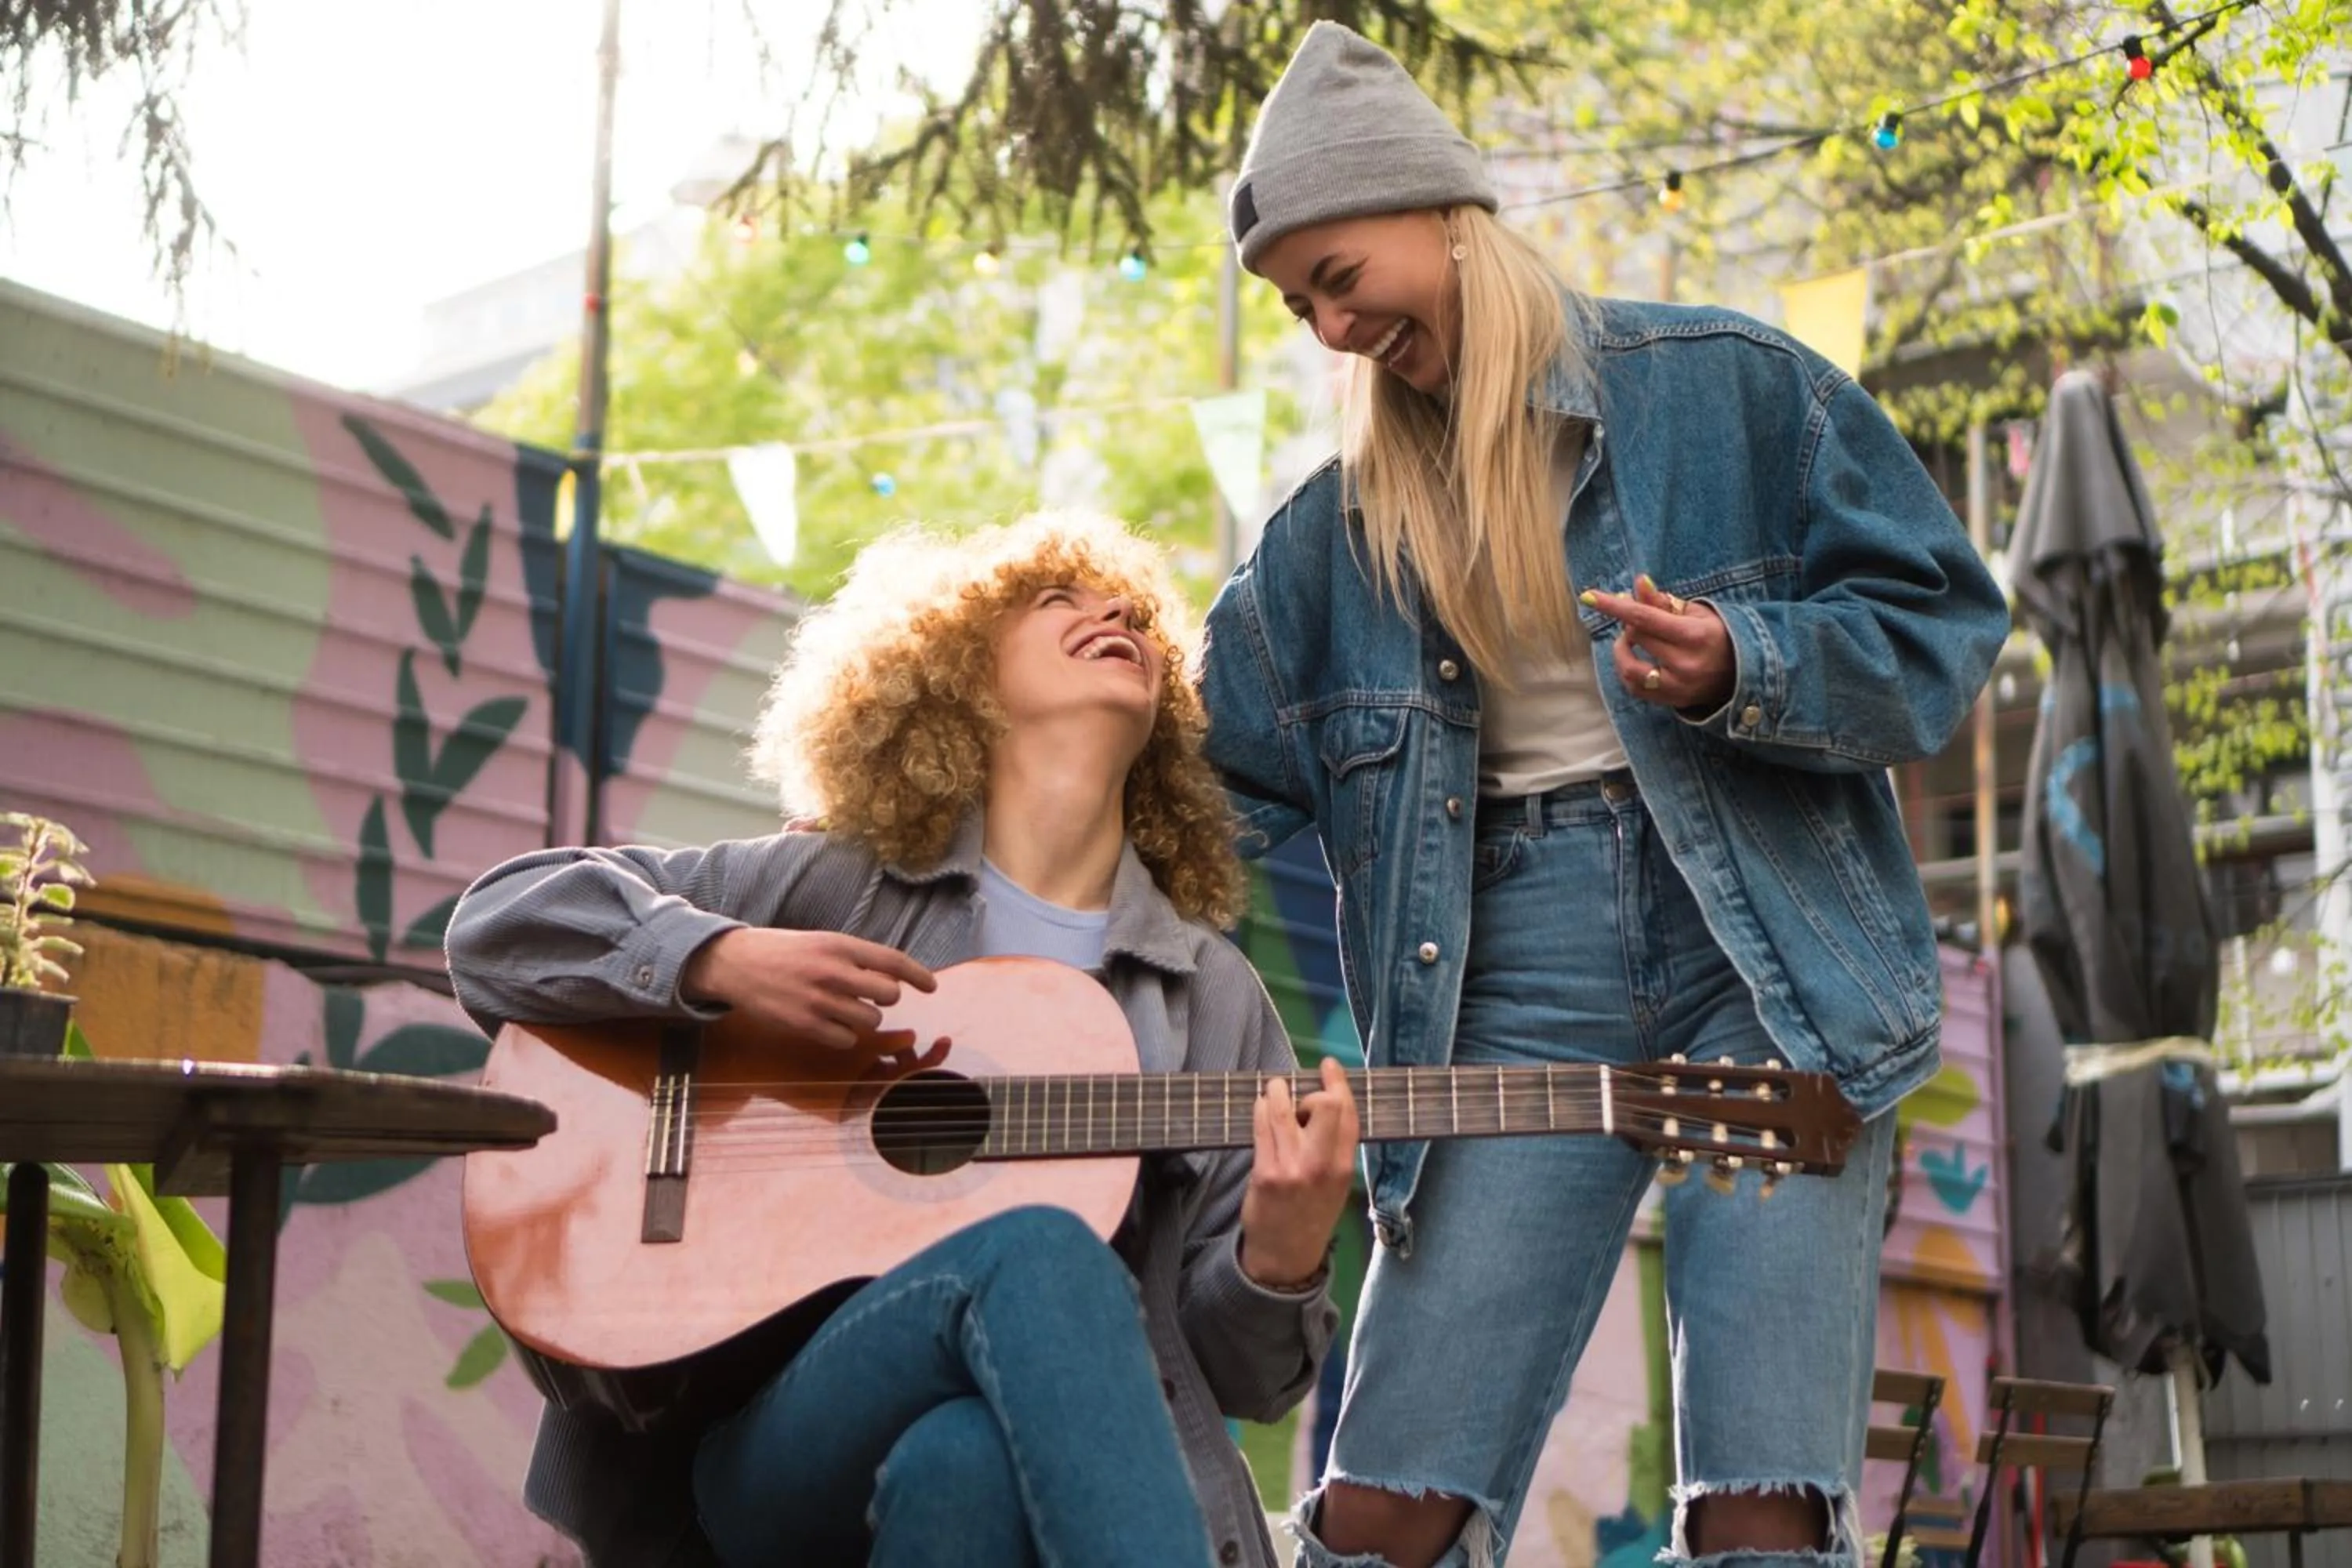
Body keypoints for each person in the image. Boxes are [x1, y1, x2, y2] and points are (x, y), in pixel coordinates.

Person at [1193, 22, 2013, 1568]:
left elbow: (1944, 628)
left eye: (1337, 274)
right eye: (1298, 302)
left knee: (1758, 1511)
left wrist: (1743, 663)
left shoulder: (1728, 390)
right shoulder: (1331, 539)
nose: (1326, 324)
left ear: (1438, 212)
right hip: (1505, 980)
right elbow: (1190, 794)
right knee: (1385, 1511)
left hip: (1767, 960)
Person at [446, 512, 1359, 1568]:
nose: (1116, 613)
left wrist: (1278, 1263)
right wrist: (717, 964)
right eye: (1057, 602)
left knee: (963, 1464)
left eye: (1134, 614)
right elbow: (495, 927)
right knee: (1039, 1247)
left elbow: (1226, 1382)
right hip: (749, 1440)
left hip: (956, 1453)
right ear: (955, 672)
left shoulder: (1214, 998)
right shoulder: (838, 886)